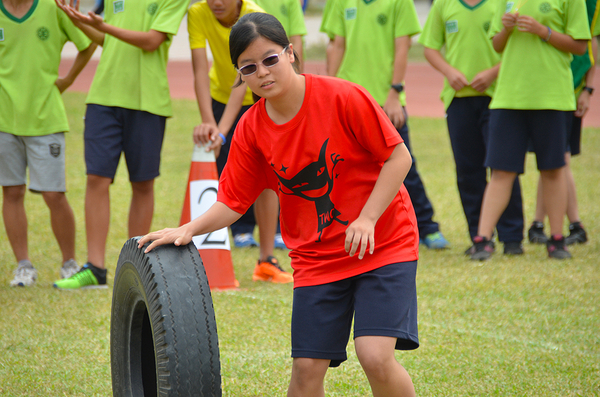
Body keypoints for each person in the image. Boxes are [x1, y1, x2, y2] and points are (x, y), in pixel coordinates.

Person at [139, 12, 420, 396]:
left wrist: (368, 218)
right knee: (306, 370)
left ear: (290, 53)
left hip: (382, 243)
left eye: (270, 59)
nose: (263, 73)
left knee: (374, 355)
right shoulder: (251, 128)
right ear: (239, 75)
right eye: (249, 67)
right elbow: (234, 201)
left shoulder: (342, 96)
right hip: (317, 257)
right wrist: (188, 228)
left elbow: (398, 157)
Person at [52, 0, 189, 289]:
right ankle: (95, 269)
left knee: (142, 184)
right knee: (96, 178)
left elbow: (152, 41)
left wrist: (105, 26)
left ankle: (135, 267)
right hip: (103, 96)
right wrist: (80, 22)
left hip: (147, 100)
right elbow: (108, 41)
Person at [322, 0, 451, 250]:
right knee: (343, 167)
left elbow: (402, 48)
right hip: (348, 99)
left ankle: (428, 227)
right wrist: (330, 92)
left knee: (402, 166)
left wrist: (395, 92)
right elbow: (337, 45)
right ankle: (344, 228)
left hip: (384, 100)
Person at [470, 0, 590, 260]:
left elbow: (581, 46)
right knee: (501, 170)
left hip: (552, 96)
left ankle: (557, 240)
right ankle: (483, 240)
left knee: (552, 169)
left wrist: (542, 31)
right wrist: (505, 30)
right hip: (509, 97)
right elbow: (497, 45)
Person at [188, 0, 293, 283]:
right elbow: (200, 70)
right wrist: (210, 122)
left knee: (268, 178)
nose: (216, 2)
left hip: (259, 96)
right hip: (221, 98)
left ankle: (267, 259)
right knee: (231, 176)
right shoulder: (197, 13)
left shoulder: (254, 16)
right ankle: (208, 251)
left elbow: (242, 79)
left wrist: (221, 130)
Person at [0, 0, 96, 287]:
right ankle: (24, 266)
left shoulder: (53, 7)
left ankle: (69, 263)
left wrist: (67, 80)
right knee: (12, 191)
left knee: (54, 195)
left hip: (46, 118)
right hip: (4, 120)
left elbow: (87, 43)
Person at [419, 0, 526, 254]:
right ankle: (479, 237)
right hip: (459, 100)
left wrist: (493, 73)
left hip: (498, 97)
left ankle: (512, 237)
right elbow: (430, 48)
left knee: (503, 167)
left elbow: (518, 47)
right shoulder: (443, 5)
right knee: (468, 171)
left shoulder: (502, 4)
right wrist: (449, 71)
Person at [528, 0, 599, 246]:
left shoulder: (588, 3)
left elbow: (590, 41)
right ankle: (538, 223)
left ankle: (575, 223)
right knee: (550, 159)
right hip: (543, 87)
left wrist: (588, 89)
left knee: (559, 159)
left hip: (568, 87)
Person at [255, 0, 306, 71]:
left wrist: (297, 73)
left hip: (283, 60)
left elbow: (296, 41)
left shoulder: (293, 1)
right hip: (257, 64)